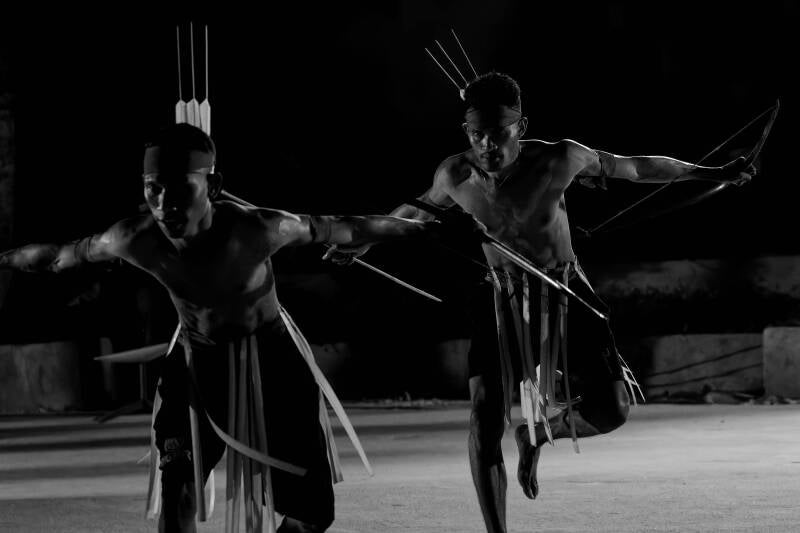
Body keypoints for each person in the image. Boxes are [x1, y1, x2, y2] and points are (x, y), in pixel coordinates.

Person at [326, 72, 755, 533]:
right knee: (484, 415)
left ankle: (535, 434)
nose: (487, 145)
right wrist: (364, 242)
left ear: (521, 126)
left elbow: (635, 167)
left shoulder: (559, 158)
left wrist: (712, 173)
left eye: (497, 134)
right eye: (476, 135)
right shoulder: (455, 173)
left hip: (564, 289)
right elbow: (412, 212)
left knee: (612, 410)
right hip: (501, 296)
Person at [0, 123, 440, 533]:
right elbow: (60, 257)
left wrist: (423, 227)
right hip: (197, 359)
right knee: (178, 484)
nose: (164, 204)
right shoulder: (135, 238)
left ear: (211, 186)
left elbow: (343, 227)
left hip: (271, 359)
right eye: (153, 189)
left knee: (312, 514)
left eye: (180, 190)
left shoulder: (257, 229)